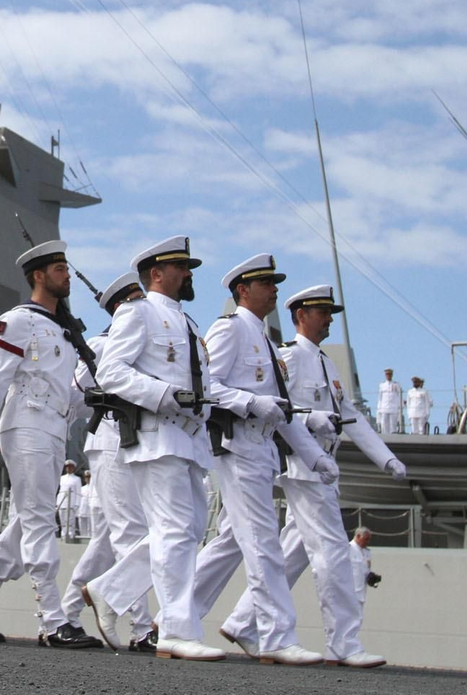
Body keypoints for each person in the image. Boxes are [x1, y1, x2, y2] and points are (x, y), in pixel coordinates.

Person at [216, 284, 405, 668]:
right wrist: (311, 419)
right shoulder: (288, 358)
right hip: (304, 469)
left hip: (323, 467)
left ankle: (242, 622)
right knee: (334, 553)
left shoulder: (327, 363)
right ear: (301, 315)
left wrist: (386, 458)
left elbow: (351, 416)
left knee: (291, 555)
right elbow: (284, 409)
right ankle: (345, 643)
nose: (330, 320)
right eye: (323, 312)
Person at [0, 240, 103, 649]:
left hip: (53, 429)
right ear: (38, 275)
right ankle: (53, 621)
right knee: (39, 521)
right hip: (25, 425)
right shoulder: (17, 321)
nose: (67, 275)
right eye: (59, 269)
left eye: (66, 268)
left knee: (25, 522)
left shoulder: (64, 331)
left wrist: (99, 401)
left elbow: (67, 394)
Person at [187, 254, 336, 667]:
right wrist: (251, 401)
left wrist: (313, 456)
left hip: (262, 450)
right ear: (242, 291)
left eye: (275, 283)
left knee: (235, 541)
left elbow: (283, 411)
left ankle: (176, 615)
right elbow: (208, 387)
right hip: (238, 448)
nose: (274, 290)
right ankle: (276, 636)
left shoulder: (267, 343)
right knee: (263, 542)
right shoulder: (229, 330)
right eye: (266, 283)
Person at [84, 236, 224, 662]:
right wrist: (165, 395)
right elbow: (110, 372)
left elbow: (205, 384)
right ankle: (176, 631)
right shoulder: (137, 312)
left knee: (190, 528)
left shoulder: (190, 324)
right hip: (156, 434)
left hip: (190, 439)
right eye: (181, 267)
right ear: (157, 274)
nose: (189, 274)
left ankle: (111, 590)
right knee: (175, 531)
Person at [65, 272, 157, 652]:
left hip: (138, 444)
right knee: (129, 533)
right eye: (135, 299)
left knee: (106, 542)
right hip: (108, 443)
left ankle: (65, 613)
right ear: (120, 307)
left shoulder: (149, 342)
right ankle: (142, 628)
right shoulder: (102, 345)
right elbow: (74, 392)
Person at [351, 527, 378, 613]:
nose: (367, 542)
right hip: (350, 593)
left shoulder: (367, 552)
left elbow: (365, 571)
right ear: (358, 536)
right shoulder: (348, 549)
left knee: (358, 620)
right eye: (365, 539)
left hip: (361, 592)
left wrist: (371, 577)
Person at [56, 461, 82, 540]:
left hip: (71, 502)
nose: (68, 468)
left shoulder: (77, 479)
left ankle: (71, 536)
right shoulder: (62, 478)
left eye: (70, 467)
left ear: (73, 468)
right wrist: (58, 503)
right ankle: (63, 536)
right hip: (62, 502)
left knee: (70, 521)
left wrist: (77, 504)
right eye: (67, 467)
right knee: (63, 521)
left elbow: (78, 492)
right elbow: (60, 491)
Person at [377, 369, 403, 434]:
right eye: (387, 374)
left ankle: (393, 433)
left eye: (390, 374)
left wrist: (401, 406)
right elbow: (380, 398)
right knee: (384, 423)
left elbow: (399, 396)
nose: (388, 376)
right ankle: (385, 434)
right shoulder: (382, 385)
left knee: (393, 423)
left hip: (393, 407)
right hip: (384, 407)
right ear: (385, 375)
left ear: (392, 375)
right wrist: (379, 408)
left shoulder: (396, 385)